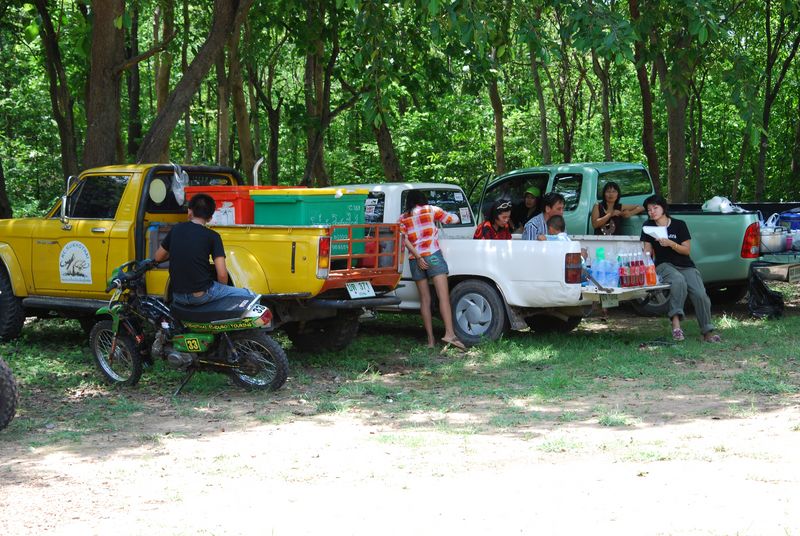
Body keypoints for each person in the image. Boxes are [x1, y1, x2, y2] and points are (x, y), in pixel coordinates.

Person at [640, 194, 721, 343]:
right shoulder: (648, 226)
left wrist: (671, 243)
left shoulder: (679, 225)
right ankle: (676, 326)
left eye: (655, 208)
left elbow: (686, 250)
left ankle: (707, 332)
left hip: (685, 264)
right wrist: (645, 258)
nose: (652, 212)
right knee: (678, 281)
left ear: (663, 208)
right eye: (649, 209)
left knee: (700, 294)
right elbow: (647, 250)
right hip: (664, 265)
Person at [154, 193, 255, 306]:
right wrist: (222, 292)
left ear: (189, 211)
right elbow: (222, 274)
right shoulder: (213, 236)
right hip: (201, 295)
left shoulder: (176, 229)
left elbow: (158, 257)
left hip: (178, 296)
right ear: (210, 218)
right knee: (250, 295)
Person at [398, 190, 466, 351]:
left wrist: (418, 257)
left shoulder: (402, 218)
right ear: (422, 199)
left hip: (415, 260)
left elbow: (404, 239)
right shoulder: (431, 210)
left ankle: (430, 340)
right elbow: (453, 219)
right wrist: (456, 214)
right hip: (433, 255)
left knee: (425, 300)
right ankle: (449, 334)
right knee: (443, 297)